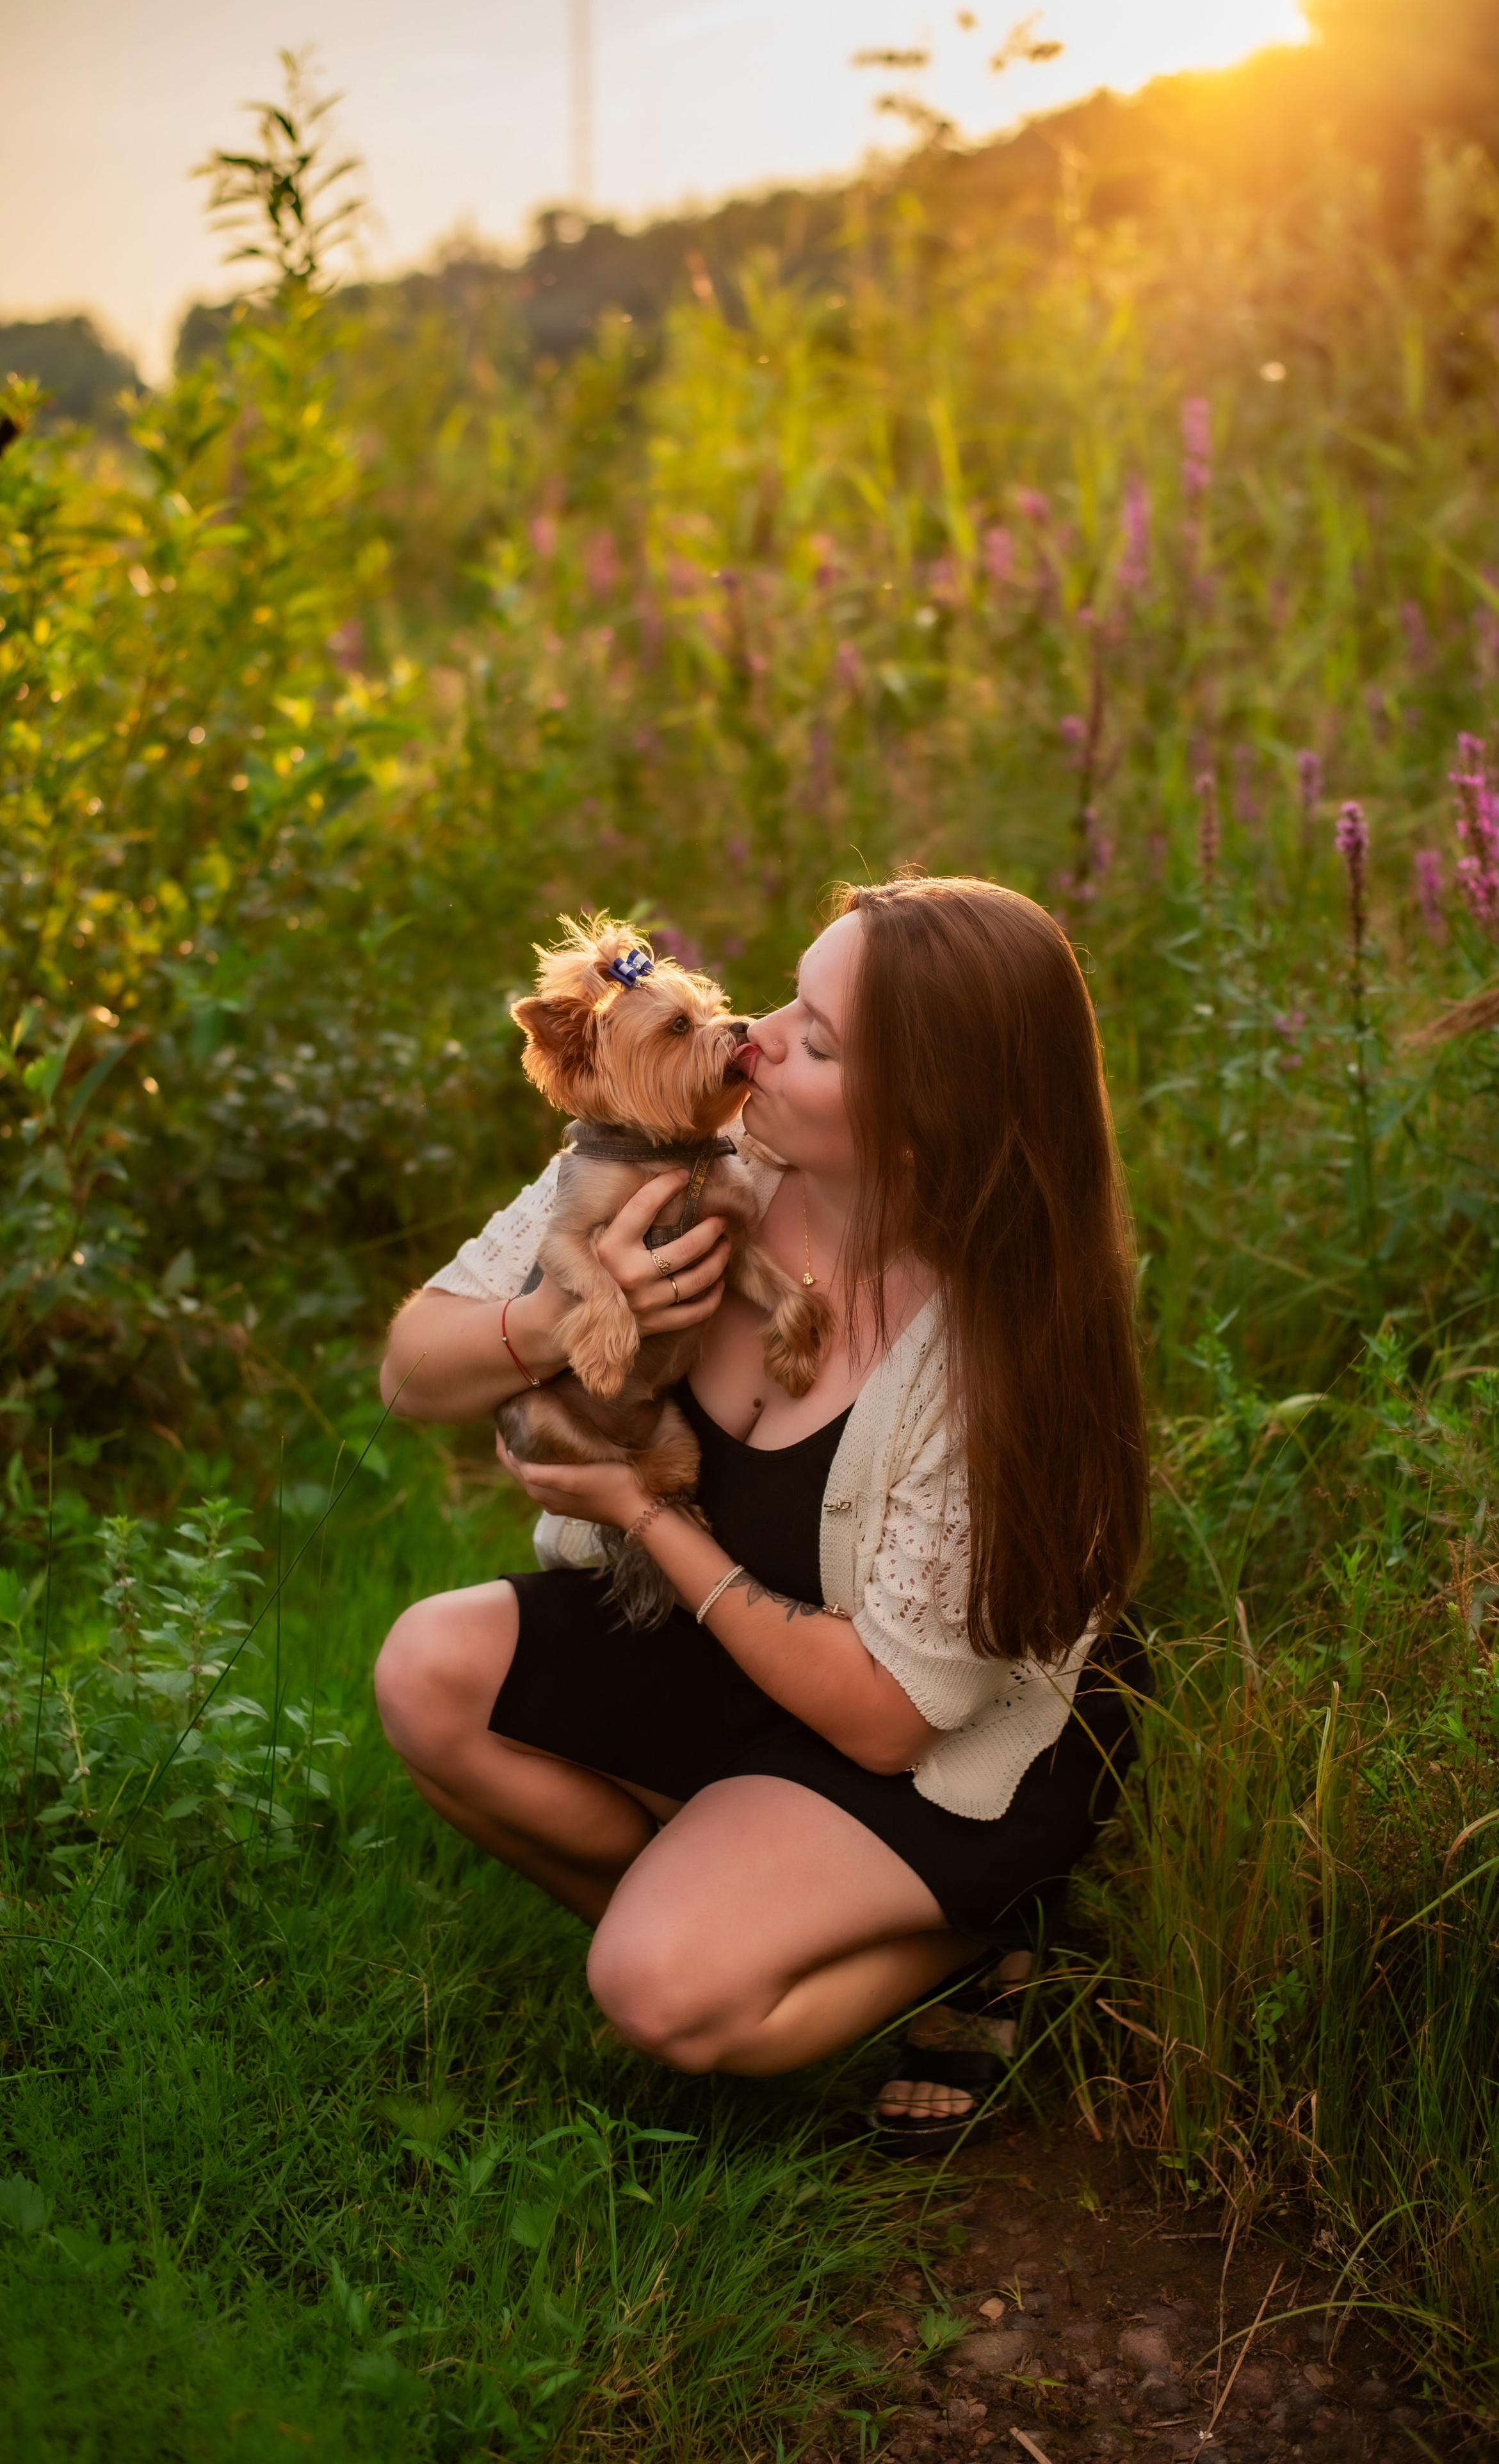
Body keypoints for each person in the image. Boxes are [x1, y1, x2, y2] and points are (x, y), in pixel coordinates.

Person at [374, 874, 1149, 2150]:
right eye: (789, 993)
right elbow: (415, 1367)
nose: (760, 1034)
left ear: (922, 1122)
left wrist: (643, 1509)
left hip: (910, 1733)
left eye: (820, 1039)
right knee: (426, 1672)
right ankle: (741, 1900)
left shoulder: (993, 1342)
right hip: (722, 1647)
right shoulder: (690, 1158)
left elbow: (887, 1718)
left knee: (658, 1993)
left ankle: (975, 1939)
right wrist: (556, 1315)